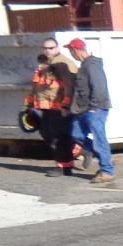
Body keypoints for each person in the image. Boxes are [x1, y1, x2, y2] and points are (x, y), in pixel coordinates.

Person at [24, 38, 78, 176]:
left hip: (59, 107)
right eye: (46, 48)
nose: (48, 51)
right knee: (46, 133)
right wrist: (29, 102)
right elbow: (36, 85)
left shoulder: (63, 63)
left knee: (59, 136)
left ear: (57, 47)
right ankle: (76, 150)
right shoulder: (44, 64)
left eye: (51, 48)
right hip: (46, 106)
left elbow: (69, 86)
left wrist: (66, 105)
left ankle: (64, 166)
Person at [65, 37, 115, 184]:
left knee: (99, 138)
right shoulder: (84, 65)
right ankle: (105, 158)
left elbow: (98, 87)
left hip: (94, 109)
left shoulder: (91, 65)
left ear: (75, 50)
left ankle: (107, 171)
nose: (71, 53)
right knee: (76, 134)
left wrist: (94, 107)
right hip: (82, 109)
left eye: (71, 50)